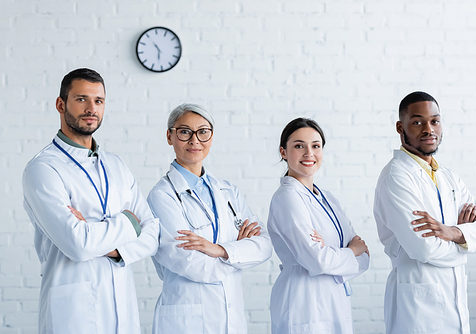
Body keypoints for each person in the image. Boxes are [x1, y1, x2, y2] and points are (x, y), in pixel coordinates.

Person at [22, 68, 159, 334]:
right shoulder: (43, 169)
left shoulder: (117, 165)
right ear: (61, 104)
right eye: (81, 99)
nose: (91, 108)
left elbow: (152, 234)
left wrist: (113, 248)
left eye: (98, 101)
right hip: (73, 315)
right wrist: (130, 222)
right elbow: (78, 244)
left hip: (123, 308)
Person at [373, 91, 476, 334]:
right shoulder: (396, 178)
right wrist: (466, 242)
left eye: (435, 121)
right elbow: (424, 248)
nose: (428, 129)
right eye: (417, 121)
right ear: (401, 127)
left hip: (455, 302)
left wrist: (452, 232)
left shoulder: (449, 177)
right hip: (418, 308)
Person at [147, 103, 272, 334]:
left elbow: (264, 246)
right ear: (169, 136)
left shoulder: (228, 191)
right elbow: (191, 264)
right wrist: (238, 252)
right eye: (185, 132)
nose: (195, 140)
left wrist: (220, 250)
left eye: (203, 132)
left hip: (231, 317)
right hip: (186, 320)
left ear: (211, 138)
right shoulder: (162, 196)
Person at [267, 117, 370, 334]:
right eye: (298, 146)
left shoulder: (328, 198)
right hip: (303, 304)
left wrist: (331, 255)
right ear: (283, 152)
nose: (309, 153)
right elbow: (318, 261)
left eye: (315, 146)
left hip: (334, 299)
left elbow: (365, 258)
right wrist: (350, 250)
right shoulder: (287, 197)